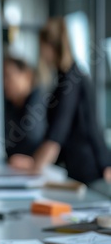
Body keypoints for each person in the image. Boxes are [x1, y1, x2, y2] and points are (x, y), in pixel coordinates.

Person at [9, 17, 111, 185]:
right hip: (80, 164)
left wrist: (34, 167)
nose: (41, 54)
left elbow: (57, 133)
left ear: (50, 46)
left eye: (41, 47)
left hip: (92, 167)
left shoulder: (72, 79)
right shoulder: (67, 77)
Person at [3, 56, 47, 159]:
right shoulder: (9, 105)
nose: (4, 82)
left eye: (7, 76)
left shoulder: (39, 101)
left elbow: (32, 139)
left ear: (27, 75)